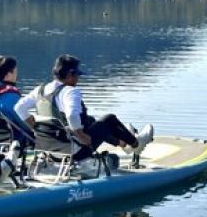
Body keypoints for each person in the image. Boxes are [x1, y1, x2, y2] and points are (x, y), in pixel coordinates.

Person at [14, 54, 153, 162]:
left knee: (90, 120)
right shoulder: (70, 91)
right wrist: (81, 136)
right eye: (77, 75)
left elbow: (19, 107)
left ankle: (123, 143)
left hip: (48, 150)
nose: (78, 79)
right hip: (75, 152)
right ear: (70, 75)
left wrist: (35, 128)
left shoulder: (40, 90)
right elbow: (71, 115)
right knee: (109, 119)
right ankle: (136, 144)